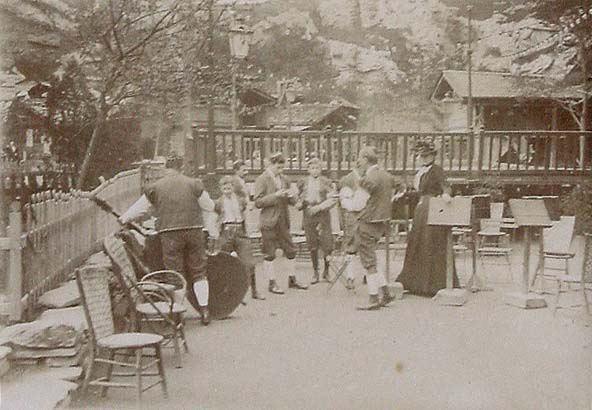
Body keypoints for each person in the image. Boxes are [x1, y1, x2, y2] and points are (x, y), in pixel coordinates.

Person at [119, 153, 214, 325]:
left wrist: (124, 219)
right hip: (194, 231)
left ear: (165, 167)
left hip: (170, 234)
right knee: (199, 271)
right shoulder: (194, 184)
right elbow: (209, 206)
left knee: (175, 274)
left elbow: (140, 208)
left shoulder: (156, 187)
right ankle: (205, 311)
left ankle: (177, 315)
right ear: (182, 166)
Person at [396, 140, 460, 296]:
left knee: (430, 242)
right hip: (421, 209)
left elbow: (445, 185)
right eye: (422, 156)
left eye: (427, 155)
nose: (424, 158)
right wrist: (403, 194)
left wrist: (446, 194)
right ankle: (415, 283)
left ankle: (433, 285)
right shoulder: (420, 172)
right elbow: (419, 192)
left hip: (433, 207)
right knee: (417, 242)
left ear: (433, 155)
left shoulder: (437, 170)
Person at [254, 152, 308, 294]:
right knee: (269, 253)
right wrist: (275, 196)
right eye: (278, 167)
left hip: (283, 220)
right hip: (268, 221)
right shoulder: (262, 179)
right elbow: (258, 202)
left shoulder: (285, 179)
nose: (281, 170)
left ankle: (292, 279)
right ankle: (272, 283)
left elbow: (289, 198)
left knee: (290, 250)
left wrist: (295, 202)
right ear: (271, 164)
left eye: (282, 168)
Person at [355, 146, 395, 310]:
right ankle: (385, 293)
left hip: (368, 222)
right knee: (372, 259)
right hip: (381, 222)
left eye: (360, 159)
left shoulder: (369, 178)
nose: (358, 162)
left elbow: (359, 203)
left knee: (368, 261)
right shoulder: (386, 175)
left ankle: (373, 298)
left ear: (365, 159)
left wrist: (348, 202)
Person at [214, 176, 264, 301]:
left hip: (240, 231)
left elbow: (247, 211)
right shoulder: (218, 203)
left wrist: (249, 229)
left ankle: (254, 290)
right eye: (224, 188)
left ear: (233, 187)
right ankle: (227, 293)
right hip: (226, 231)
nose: (227, 190)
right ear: (221, 189)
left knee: (249, 262)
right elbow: (215, 217)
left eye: (229, 187)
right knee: (224, 262)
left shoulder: (241, 200)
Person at [296, 157, 337, 284]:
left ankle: (326, 271)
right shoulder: (302, 182)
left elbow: (333, 199)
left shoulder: (326, 182)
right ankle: (315, 272)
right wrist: (301, 204)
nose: (315, 171)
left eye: (317, 168)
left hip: (322, 215)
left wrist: (320, 207)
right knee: (312, 244)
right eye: (312, 168)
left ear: (321, 169)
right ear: (308, 169)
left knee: (327, 243)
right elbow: (298, 200)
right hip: (309, 215)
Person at [338, 163, 363, 290]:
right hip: (352, 215)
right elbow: (344, 202)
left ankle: (367, 274)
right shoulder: (348, 179)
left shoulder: (368, 177)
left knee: (367, 244)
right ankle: (350, 277)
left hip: (366, 215)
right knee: (351, 246)